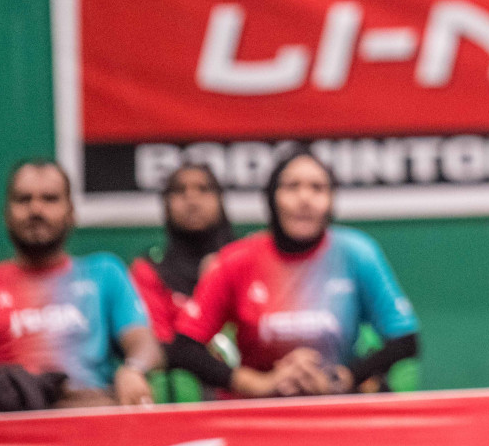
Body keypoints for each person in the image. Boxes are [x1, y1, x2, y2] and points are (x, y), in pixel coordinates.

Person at [0, 159, 161, 413]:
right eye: (23, 199)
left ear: (71, 212)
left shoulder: (105, 272)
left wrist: (133, 369)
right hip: (5, 426)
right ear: (6, 213)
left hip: (91, 418)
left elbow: (145, 344)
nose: (36, 209)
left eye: (50, 199)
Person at [165, 152, 419, 398]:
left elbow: (405, 340)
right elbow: (184, 348)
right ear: (272, 198)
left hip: (336, 408)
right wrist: (257, 383)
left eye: (317, 188)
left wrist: (338, 378)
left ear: (331, 200)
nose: (304, 198)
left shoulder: (356, 253)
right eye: (291, 186)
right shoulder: (235, 260)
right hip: (255, 413)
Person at [128, 163, 235, 344]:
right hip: (178, 370)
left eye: (203, 189)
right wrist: (206, 288)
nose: (192, 200)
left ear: (220, 199)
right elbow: (161, 344)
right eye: (179, 191)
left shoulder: (244, 261)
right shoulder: (150, 270)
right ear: (165, 203)